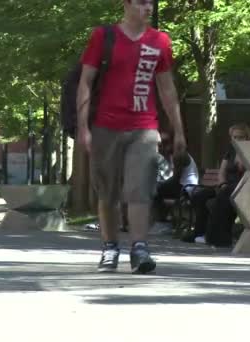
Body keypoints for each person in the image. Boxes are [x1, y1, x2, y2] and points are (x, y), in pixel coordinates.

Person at [77, 0, 187, 274]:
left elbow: (167, 88)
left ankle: (139, 248)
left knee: (140, 189)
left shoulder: (160, 41)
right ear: (126, 4)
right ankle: (110, 248)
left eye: (151, 2)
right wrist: (83, 127)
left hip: (144, 128)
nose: (147, 7)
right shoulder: (103, 37)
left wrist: (179, 129)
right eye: (141, 2)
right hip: (106, 127)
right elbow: (86, 82)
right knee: (108, 193)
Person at [182, 123, 250, 244]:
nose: (237, 140)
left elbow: (246, 172)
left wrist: (242, 155)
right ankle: (199, 233)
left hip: (241, 188)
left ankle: (217, 235)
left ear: (247, 137)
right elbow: (222, 172)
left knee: (220, 199)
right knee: (201, 195)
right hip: (225, 186)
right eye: (234, 137)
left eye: (241, 137)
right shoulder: (230, 150)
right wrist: (222, 183)